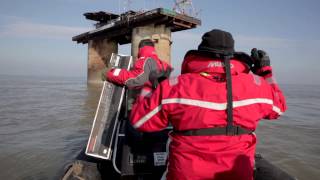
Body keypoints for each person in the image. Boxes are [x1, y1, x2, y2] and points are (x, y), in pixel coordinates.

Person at [129, 29, 287, 180]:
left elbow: (140, 121)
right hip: (238, 174)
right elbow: (278, 109)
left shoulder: (173, 85)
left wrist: (150, 86)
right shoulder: (257, 85)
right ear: (233, 56)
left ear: (200, 55)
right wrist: (265, 72)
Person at [103, 39, 172, 91]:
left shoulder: (145, 61)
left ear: (140, 49)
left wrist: (110, 73)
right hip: (155, 103)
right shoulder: (163, 64)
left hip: (145, 105)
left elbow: (136, 80)